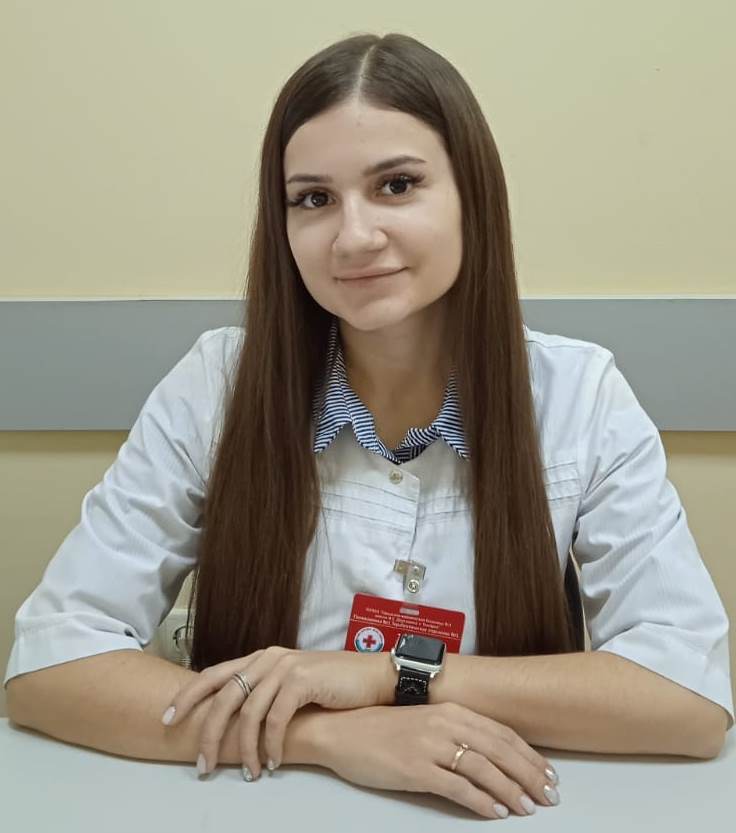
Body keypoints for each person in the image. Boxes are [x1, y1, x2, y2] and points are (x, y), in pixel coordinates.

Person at [4, 32, 733, 822]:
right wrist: (326, 735)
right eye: (313, 199)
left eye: (397, 185)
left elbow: (687, 697)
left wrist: (395, 673)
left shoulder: (579, 395)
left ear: (473, 195)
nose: (353, 236)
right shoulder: (218, 384)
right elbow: (51, 664)